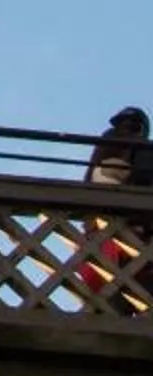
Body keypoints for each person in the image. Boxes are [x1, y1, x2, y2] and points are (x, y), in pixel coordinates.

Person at [78, 105, 153, 308]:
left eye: (126, 125)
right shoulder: (138, 147)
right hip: (121, 241)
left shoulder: (112, 145)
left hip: (105, 241)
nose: (122, 130)